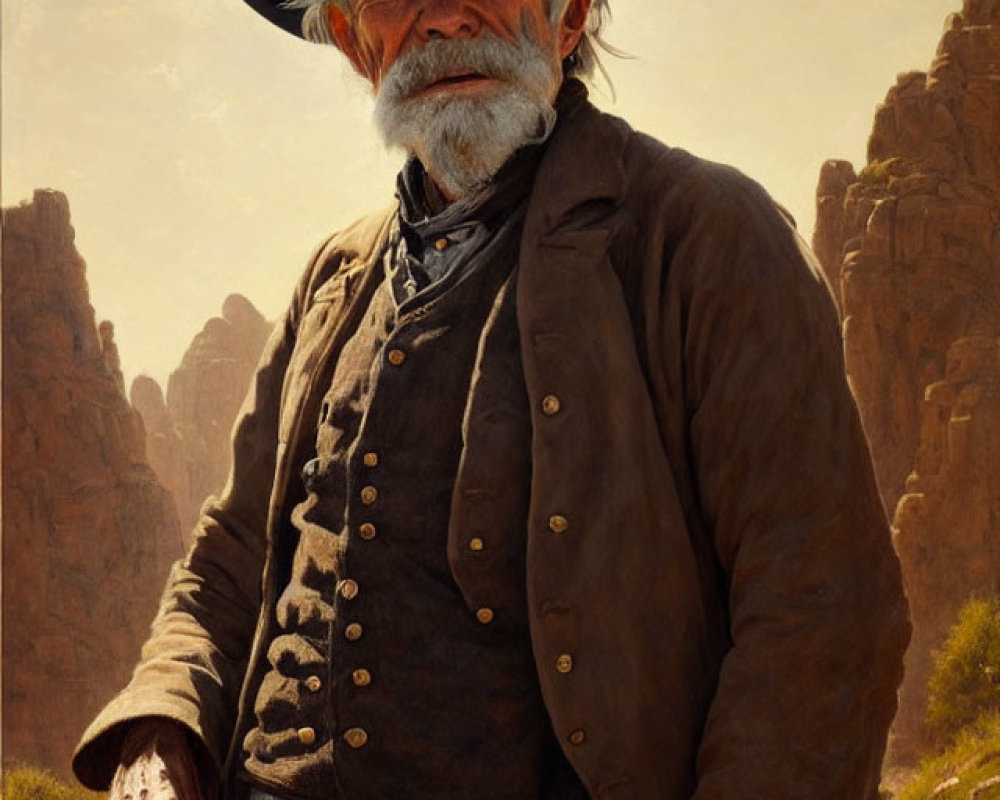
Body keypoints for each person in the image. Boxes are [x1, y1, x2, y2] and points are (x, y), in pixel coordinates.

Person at [73, 1, 911, 798]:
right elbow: (227, 558)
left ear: (569, 15)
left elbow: (823, 607)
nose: (445, 16)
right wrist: (161, 732)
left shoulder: (702, 235)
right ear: (356, 42)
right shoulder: (334, 278)